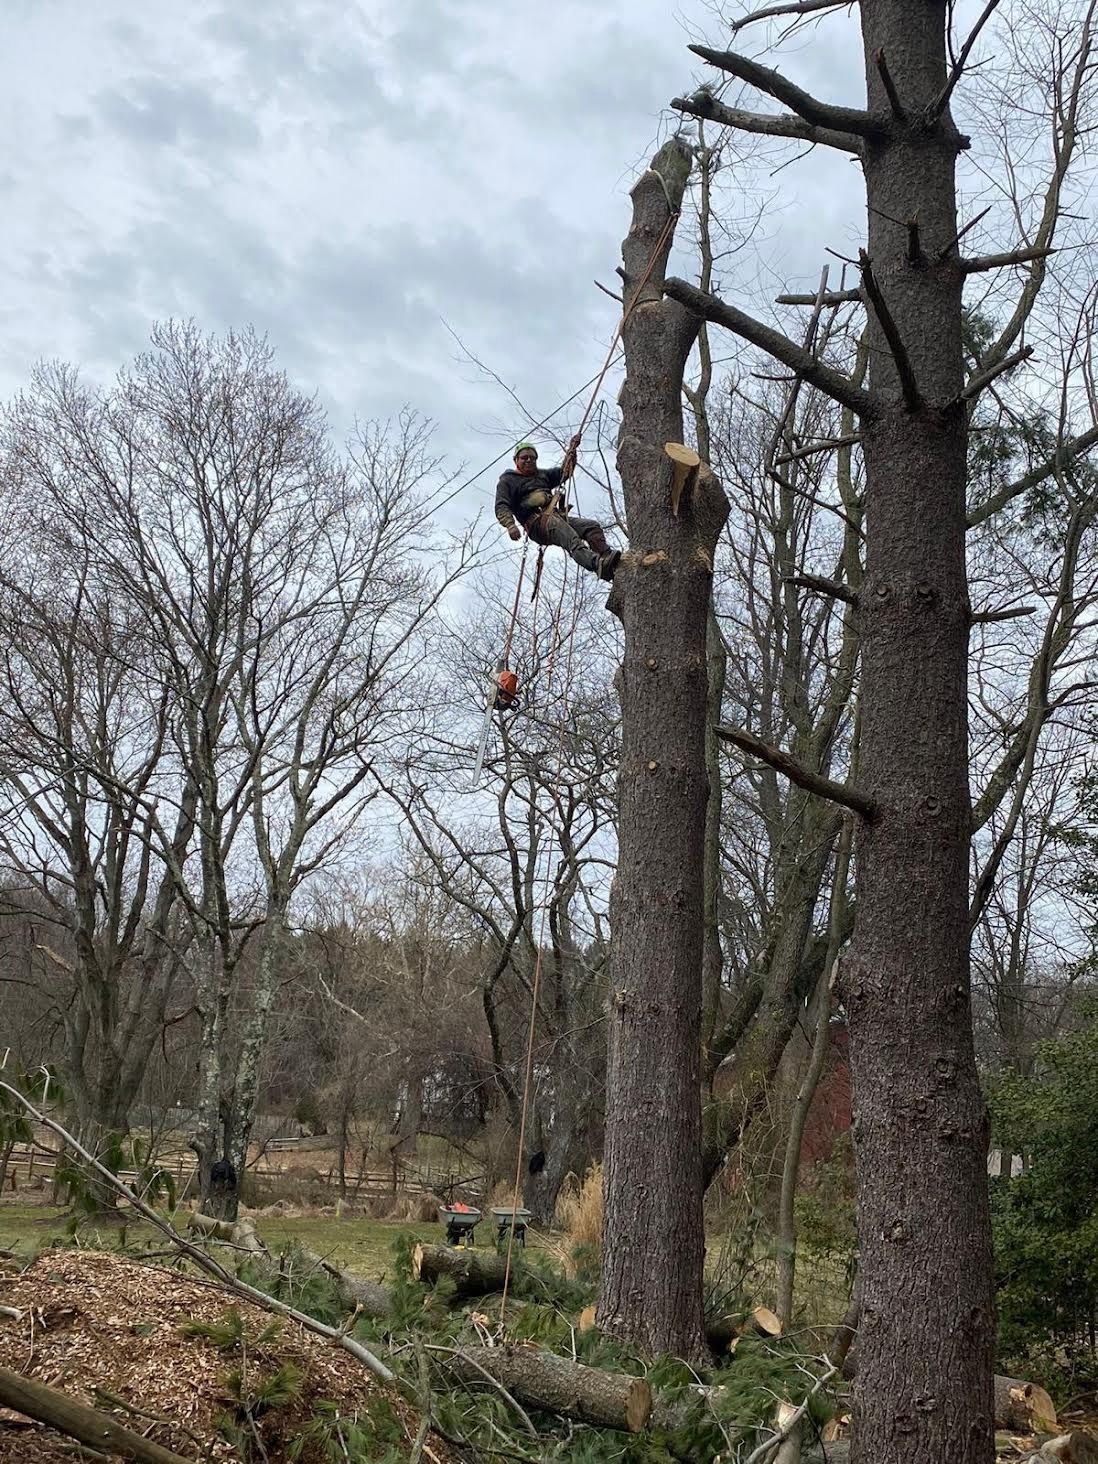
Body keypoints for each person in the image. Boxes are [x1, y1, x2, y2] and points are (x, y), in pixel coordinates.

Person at [495, 439, 621, 580]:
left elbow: (565, 472)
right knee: (570, 537)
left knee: (591, 527)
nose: (529, 460)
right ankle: (598, 565)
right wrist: (510, 525)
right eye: (524, 458)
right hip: (537, 524)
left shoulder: (543, 475)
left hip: (554, 517)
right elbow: (502, 505)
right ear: (516, 460)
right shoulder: (508, 481)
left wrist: (571, 452)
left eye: (533, 458)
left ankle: (608, 558)